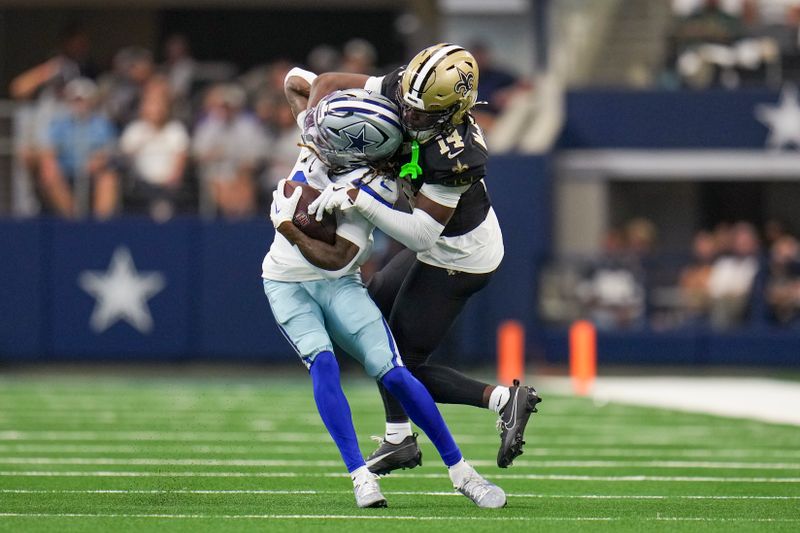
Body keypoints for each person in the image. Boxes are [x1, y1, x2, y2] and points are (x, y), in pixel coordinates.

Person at [263, 69, 506, 509]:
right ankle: (360, 475)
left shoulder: (373, 182)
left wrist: (289, 227)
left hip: (339, 281)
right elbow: (297, 81)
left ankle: (461, 471)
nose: (315, 139)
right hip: (284, 282)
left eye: (327, 134)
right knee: (323, 363)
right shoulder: (320, 134)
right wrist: (314, 110)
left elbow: (338, 258)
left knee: (394, 368)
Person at [308, 43, 540, 474]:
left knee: (402, 364)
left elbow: (419, 233)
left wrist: (359, 197)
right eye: (407, 107)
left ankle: (505, 400)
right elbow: (323, 83)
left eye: (421, 114)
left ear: (454, 110)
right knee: (372, 307)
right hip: (435, 244)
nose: (408, 117)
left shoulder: (457, 153)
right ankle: (398, 438)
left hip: (461, 255)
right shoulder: (410, 89)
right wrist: (310, 143)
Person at [38, 77, 119, 218]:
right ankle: (73, 221)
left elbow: (109, 152)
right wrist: (53, 164)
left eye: (83, 99)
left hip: (94, 172)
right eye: (75, 100)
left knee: (108, 178)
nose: (79, 104)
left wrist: (98, 161)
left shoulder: (102, 125)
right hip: (66, 172)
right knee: (49, 172)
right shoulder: (59, 125)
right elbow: (48, 152)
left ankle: (101, 226)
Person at [119, 88, 190, 221]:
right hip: (140, 183)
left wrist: (174, 178)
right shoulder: (135, 129)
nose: (156, 110)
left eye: (159, 105)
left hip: (169, 184)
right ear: (144, 108)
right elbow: (125, 155)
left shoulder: (175, 129)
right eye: (151, 105)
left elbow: (181, 158)